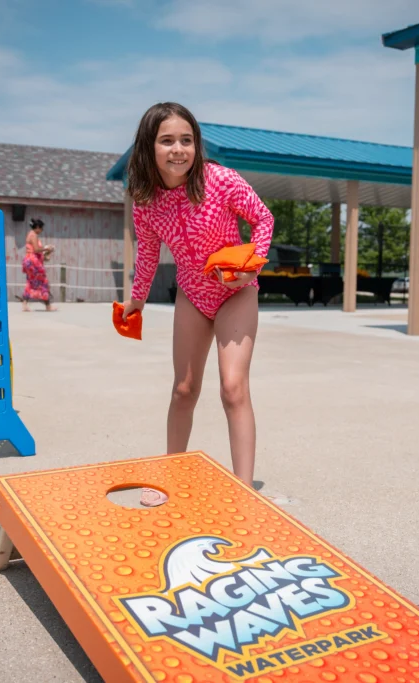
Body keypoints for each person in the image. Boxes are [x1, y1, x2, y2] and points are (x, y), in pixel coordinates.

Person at [118, 102, 274, 507]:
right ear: (148, 148)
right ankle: (170, 474)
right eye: (166, 140)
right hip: (192, 294)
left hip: (235, 291)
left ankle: (244, 491)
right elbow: (148, 253)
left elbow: (263, 219)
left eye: (186, 140)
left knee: (232, 387)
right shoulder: (145, 201)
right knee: (184, 389)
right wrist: (136, 300)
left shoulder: (221, 181)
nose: (178, 149)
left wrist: (251, 264)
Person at [21, 218, 56, 312]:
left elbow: (33, 250)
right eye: (41, 228)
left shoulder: (30, 234)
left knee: (30, 282)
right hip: (34, 261)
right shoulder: (34, 235)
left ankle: (25, 304)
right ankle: (48, 306)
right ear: (37, 227)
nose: (41, 230)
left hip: (29, 260)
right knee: (43, 282)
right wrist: (47, 249)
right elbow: (36, 249)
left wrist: (44, 253)